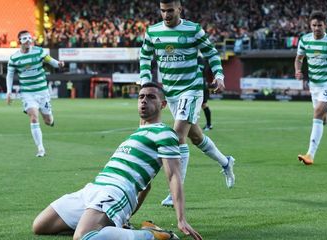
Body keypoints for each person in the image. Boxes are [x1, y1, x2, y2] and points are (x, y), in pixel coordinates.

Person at [32, 83, 202, 240]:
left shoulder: (165, 133)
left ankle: (151, 235)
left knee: (83, 237)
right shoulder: (137, 133)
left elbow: (173, 176)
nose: (144, 100)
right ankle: (112, 228)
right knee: (40, 226)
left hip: (116, 192)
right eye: (141, 97)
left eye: (151, 97)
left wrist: (181, 219)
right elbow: (146, 186)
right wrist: (126, 217)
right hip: (93, 189)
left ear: (163, 104)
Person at [139, 0, 235, 207]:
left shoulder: (193, 30)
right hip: (170, 92)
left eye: (170, 10)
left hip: (191, 89)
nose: (166, 15)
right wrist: (145, 78)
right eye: (163, 11)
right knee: (196, 137)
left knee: (177, 136)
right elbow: (145, 55)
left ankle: (175, 192)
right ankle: (226, 162)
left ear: (179, 9)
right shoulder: (153, 31)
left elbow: (211, 53)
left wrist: (219, 75)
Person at [294, 11, 327, 165]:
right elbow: (299, 58)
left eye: (320, 25)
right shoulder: (304, 40)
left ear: (325, 25)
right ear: (310, 25)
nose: (317, 28)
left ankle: (310, 154)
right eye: (314, 25)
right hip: (314, 85)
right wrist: (298, 70)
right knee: (323, 120)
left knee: (317, 114)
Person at [6, 30, 64, 157]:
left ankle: (50, 117)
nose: (28, 40)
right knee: (33, 116)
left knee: (48, 120)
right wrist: (9, 91)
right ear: (19, 41)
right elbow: (9, 75)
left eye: (29, 38)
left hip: (42, 91)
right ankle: (40, 148)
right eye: (25, 38)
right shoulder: (14, 58)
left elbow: (50, 60)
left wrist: (58, 64)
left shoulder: (39, 51)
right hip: (27, 93)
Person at [199, 58, 213, 131]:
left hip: (201, 86)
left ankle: (209, 124)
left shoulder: (200, 60)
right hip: (198, 85)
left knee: (204, 104)